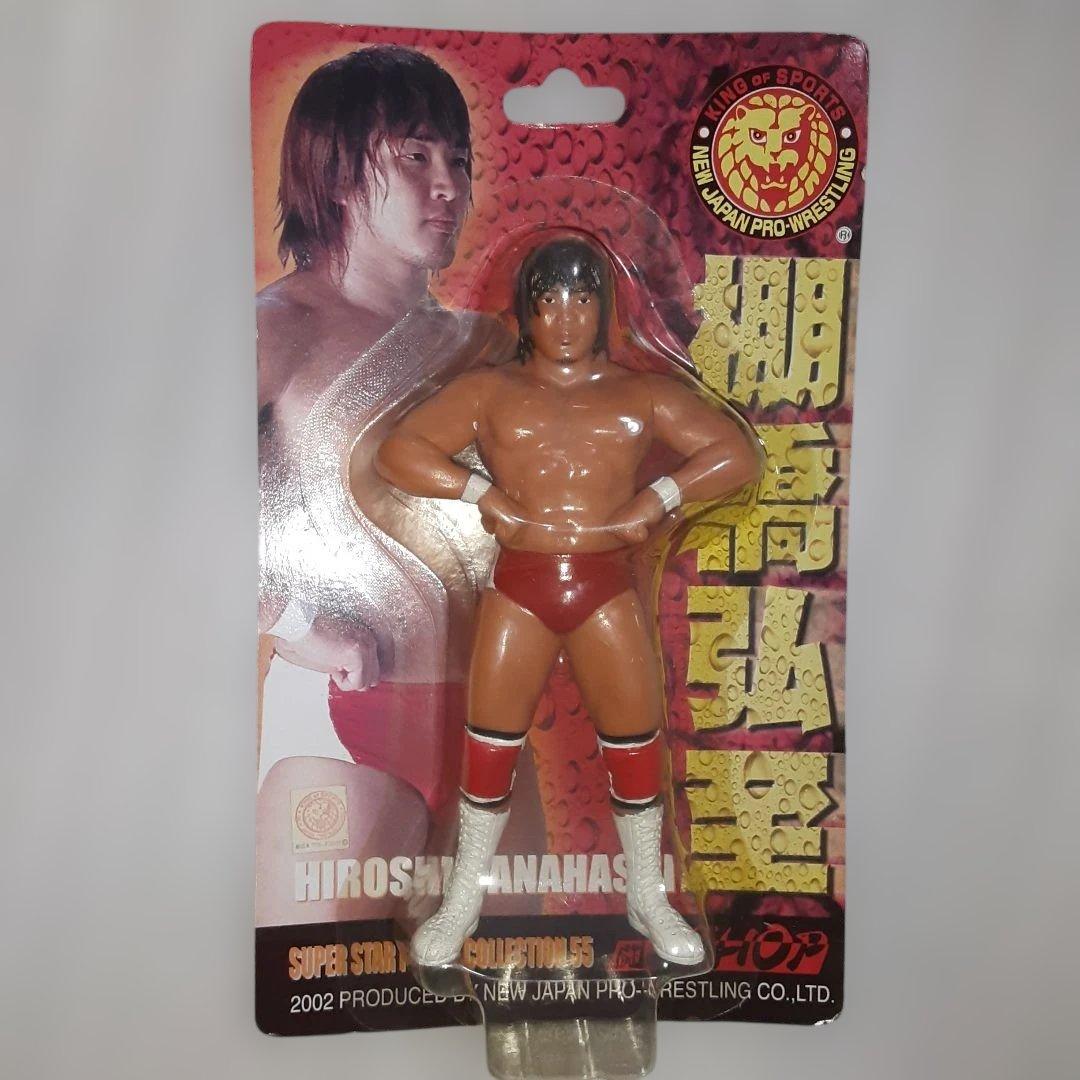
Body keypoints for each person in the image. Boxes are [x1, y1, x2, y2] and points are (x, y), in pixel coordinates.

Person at [375, 236, 763, 965]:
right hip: (519, 587)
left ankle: (648, 897)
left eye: (582, 299)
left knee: (635, 744)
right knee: (489, 748)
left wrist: (658, 496)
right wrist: (479, 490)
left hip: (605, 588)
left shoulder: (639, 394)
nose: (564, 316)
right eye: (549, 299)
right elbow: (400, 451)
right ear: (526, 309)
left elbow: (737, 455)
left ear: (604, 308)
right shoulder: (491, 391)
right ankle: (462, 903)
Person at [256, 45, 510, 926]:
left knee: (507, 988)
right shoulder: (273, 333)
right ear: (335, 169)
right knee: (321, 989)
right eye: (414, 155)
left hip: (492, 723)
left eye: (459, 160)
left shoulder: (492, 349)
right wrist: (295, 625)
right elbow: (163, 516)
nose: (448, 185)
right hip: (345, 724)